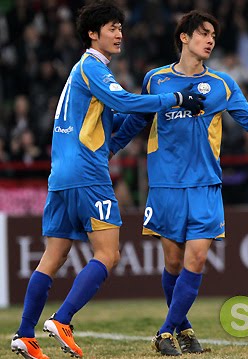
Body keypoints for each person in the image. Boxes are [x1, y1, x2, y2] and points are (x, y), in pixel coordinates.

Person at [109, 10, 248, 356]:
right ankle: (185, 330)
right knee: (174, 264)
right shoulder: (156, 80)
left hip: (205, 185)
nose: (210, 40)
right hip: (165, 186)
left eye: (213, 35)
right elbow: (136, 122)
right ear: (184, 37)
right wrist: (106, 150)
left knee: (197, 259)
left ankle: (165, 332)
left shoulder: (223, 84)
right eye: (204, 33)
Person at [10, 2, 201, 359]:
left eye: (120, 28)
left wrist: (148, 108)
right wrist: (174, 97)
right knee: (108, 253)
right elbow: (121, 100)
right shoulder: (92, 67)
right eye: (112, 28)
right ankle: (63, 319)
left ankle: (24, 334)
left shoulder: (80, 75)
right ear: (92, 34)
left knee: (52, 256)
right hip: (87, 175)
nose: (119, 35)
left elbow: (113, 130)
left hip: (61, 176)